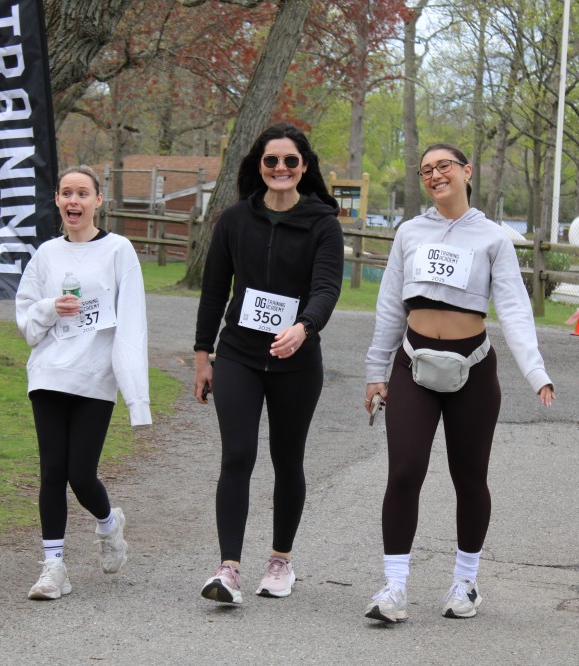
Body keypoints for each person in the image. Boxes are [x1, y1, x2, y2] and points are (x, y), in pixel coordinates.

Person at [363, 143, 556, 623]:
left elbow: (513, 308)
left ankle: (465, 583)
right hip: (413, 367)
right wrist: (375, 372)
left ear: (467, 172)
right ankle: (394, 588)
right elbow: (390, 306)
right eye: (426, 170)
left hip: (472, 370)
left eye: (443, 166)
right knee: (404, 472)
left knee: (469, 479)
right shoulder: (409, 232)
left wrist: (536, 372)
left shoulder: (493, 238)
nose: (435, 175)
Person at [193, 123, 344, 604]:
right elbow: (214, 291)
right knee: (237, 454)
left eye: (290, 161)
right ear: (258, 166)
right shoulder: (234, 220)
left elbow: (326, 288)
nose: (281, 168)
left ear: (304, 167)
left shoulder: (323, 224)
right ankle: (228, 569)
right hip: (238, 354)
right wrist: (203, 356)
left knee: (287, 458)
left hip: (296, 361)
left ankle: (280, 561)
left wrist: (304, 327)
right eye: (271, 160)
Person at [15, 165, 151, 600]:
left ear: (98, 201)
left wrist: (136, 396)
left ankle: (109, 524)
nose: (74, 201)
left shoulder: (118, 250)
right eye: (66, 193)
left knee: (81, 474)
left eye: (82, 193)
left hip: (95, 376)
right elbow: (26, 320)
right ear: (57, 200)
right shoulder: (46, 255)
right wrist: (50, 307)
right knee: (53, 471)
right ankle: (53, 567)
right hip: (49, 373)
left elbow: (132, 323)